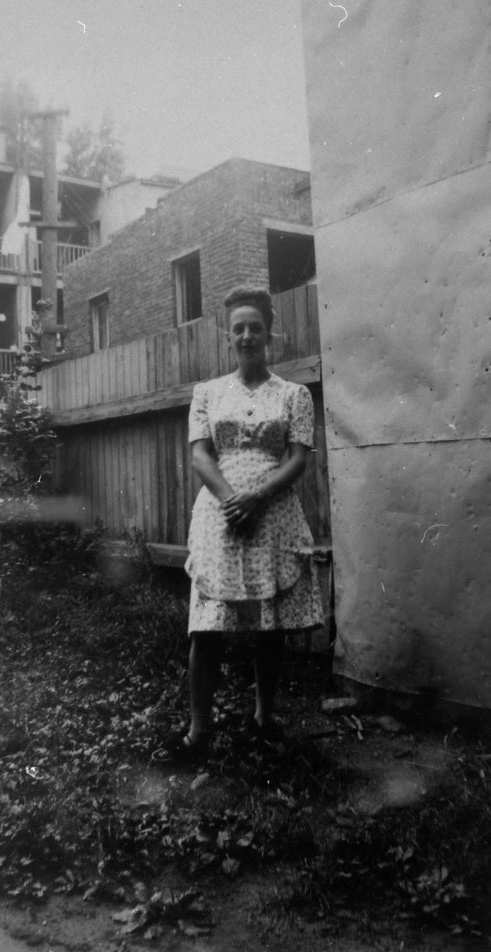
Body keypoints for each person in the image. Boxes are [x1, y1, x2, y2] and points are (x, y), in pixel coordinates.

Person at [161, 285, 324, 761]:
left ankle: (265, 718)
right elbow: (199, 455)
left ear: (268, 331)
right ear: (227, 336)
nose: (247, 336)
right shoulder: (208, 393)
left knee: (268, 627)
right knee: (206, 626)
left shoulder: (294, 395)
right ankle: (198, 732)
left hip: (274, 514)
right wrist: (234, 498)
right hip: (222, 515)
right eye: (238, 329)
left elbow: (297, 459)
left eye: (255, 327)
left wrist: (260, 494)